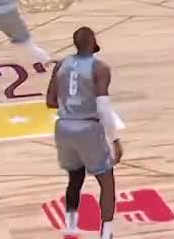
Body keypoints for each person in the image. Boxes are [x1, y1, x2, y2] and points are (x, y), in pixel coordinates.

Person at [45, 27, 123, 239]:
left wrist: (70, 102)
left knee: (75, 176)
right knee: (107, 181)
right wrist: (115, 138)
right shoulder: (100, 68)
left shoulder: (61, 65)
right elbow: (103, 107)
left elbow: (50, 101)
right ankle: (106, 234)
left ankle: (71, 227)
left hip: (63, 127)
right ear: (93, 42)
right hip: (87, 127)